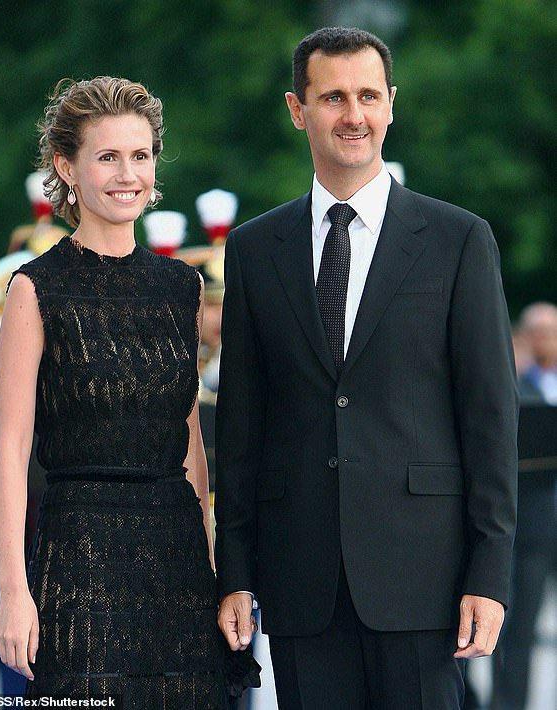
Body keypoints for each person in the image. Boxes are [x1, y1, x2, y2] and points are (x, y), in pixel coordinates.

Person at [215, 27, 518, 709]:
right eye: (333, 98)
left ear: (391, 105)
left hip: (426, 579)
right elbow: (240, 425)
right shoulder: (255, 249)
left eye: (369, 96)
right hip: (300, 579)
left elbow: (491, 420)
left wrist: (490, 575)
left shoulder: (458, 240)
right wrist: (233, 571)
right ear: (298, 110)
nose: (354, 115)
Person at [0, 76, 256, 706]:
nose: (127, 174)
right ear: (67, 168)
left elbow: (189, 442)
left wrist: (216, 572)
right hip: (78, 561)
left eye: (140, 156)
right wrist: (13, 591)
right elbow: (11, 454)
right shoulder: (34, 288)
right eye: (108, 157)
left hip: (178, 561)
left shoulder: (182, 287)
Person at [491, 303, 557, 710]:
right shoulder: (513, 385)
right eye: (538, 332)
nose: (545, 339)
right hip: (530, 522)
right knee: (515, 624)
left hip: (548, 519)